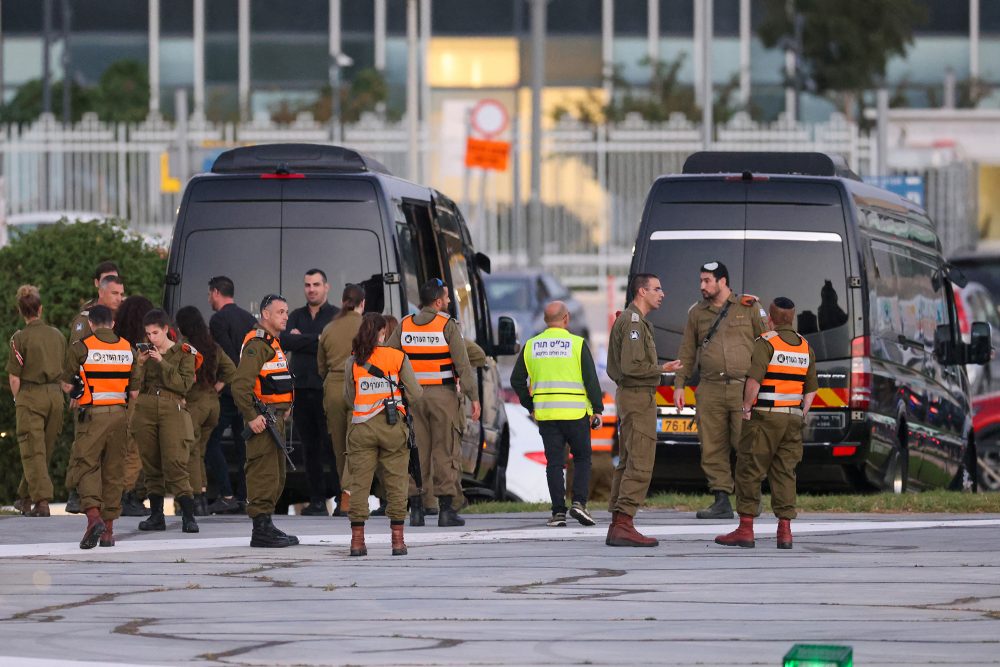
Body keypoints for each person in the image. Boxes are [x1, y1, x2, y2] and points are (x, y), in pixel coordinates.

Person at [716, 297, 818, 550]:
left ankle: (745, 529)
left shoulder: (766, 343)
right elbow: (811, 389)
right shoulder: (805, 346)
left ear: (771, 318)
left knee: (750, 468)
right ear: (792, 318)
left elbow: (754, 381)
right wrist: (801, 412)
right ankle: (784, 532)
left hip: (764, 416)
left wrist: (746, 407)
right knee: (785, 471)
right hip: (793, 418)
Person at [673, 261, 767, 520]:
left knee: (746, 444)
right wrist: (679, 384)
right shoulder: (696, 313)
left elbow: (767, 345)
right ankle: (721, 500)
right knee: (712, 446)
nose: (702, 285)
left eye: (707, 280)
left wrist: (763, 384)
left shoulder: (748, 307)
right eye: (701, 280)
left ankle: (750, 498)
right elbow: (687, 352)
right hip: (710, 388)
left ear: (722, 281)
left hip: (742, 388)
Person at [386, 278, 480, 528]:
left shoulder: (405, 324)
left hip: (412, 397)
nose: (447, 302)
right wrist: (474, 398)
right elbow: (463, 365)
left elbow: (388, 356)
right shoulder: (446, 325)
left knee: (417, 451)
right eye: (446, 298)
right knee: (445, 450)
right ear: (438, 301)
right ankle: (446, 511)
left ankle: (415, 510)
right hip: (443, 396)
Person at [511, 301, 604, 527]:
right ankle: (579, 504)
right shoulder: (577, 344)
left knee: (554, 463)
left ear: (545, 320)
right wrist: (597, 410)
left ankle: (558, 513)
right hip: (576, 414)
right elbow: (591, 380)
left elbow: (516, 380)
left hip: (547, 415)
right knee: (582, 459)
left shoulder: (531, 346)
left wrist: (530, 405)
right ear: (566, 318)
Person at [606, 274, 682, 547]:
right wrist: (662, 368)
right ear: (642, 291)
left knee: (628, 460)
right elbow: (631, 367)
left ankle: (618, 523)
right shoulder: (634, 323)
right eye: (657, 289)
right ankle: (624, 522)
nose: (662, 294)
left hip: (634, 397)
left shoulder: (634, 321)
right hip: (637, 398)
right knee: (640, 460)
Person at [344, 312, 423, 557]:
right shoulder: (397, 357)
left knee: (359, 485)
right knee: (397, 483)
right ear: (382, 332)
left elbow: (349, 398)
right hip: (392, 429)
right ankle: (397, 542)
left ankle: (357, 542)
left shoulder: (353, 361)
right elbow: (416, 394)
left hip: (361, 429)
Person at [61, 305, 136, 549]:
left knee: (86, 465)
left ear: (91, 324)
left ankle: (94, 519)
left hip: (93, 416)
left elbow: (66, 384)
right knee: (114, 471)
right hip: (120, 415)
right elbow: (134, 391)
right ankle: (108, 532)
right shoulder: (128, 348)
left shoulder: (81, 347)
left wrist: (75, 389)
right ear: (112, 324)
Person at [232, 293, 298, 548]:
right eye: (280, 312)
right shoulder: (258, 344)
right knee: (262, 473)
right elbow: (240, 385)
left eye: (286, 312)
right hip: (264, 421)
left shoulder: (272, 343)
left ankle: (267, 524)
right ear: (266, 314)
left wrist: (286, 406)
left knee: (275, 475)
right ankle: (260, 530)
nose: (285, 316)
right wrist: (252, 417)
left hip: (275, 418)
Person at [131, 309, 199, 533]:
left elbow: (184, 384)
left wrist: (162, 361)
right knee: (150, 462)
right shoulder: (145, 353)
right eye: (148, 334)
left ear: (166, 330)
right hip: (146, 407)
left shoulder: (184, 352)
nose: (151, 338)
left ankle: (188, 515)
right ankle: (156, 515)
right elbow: (133, 387)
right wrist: (139, 364)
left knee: (175, 461)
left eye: (155, 333)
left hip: (172, 408)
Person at [65, 271, 125, 514]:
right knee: (85, 451)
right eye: (115, 293)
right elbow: (76, 358)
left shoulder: (119, 317)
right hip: (90, 397)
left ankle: (101, 510)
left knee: (110, 459)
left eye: (122, 293)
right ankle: (77, 494)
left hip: (112, 397)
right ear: (101, 292)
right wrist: (76, 392)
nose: (120, 298)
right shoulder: (85, 319)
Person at [281, 269, 339, 516]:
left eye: (316, 284)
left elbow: (326, 343)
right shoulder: (295, 315)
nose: (311, 289)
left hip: (326, 389)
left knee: (332, 446)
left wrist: (302, 339)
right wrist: (315, 338)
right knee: (309, 448)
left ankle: (339, 499)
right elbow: (286, 341)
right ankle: (316, 500)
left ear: (327, 287)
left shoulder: (336, 315)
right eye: (307, 285)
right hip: (301, 390)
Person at [8, 285, 66, 517]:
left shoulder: (19, 338)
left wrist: (17, 399)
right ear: (40, 309)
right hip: (55, 395)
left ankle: (41, 502)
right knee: (42, 450)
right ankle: (24, 497)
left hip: (31, 395)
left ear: (21, 311)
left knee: (33, 451)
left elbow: (14, 376)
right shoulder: (58, 335)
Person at [175, 306, 238, 516]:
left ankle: (195, 499)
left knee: (188, 452)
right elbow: (231, 371)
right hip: (213, 405)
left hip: (194, 404)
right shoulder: (213, 346)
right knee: (200, 451)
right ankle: (201, 495)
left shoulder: (184, 348)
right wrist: (217, 387)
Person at [205, 276, 257, 514]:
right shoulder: (248, 318)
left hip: (227, 392)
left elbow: (226, 354)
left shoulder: (217, 320)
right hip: (248, 390)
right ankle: (245, 497)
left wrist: (222, 381)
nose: (209, 299)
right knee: (243, 444)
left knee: (211, 440)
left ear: (216, 292)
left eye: (209, 294)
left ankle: (226, 494)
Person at [317, 284, 365, 516]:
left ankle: (342, 497)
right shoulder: (367, 326)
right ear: (362, 303)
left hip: (334, 387)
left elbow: (321, 366)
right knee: (357, 445)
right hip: (361, 387)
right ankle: (350, 496)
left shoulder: (329, 328)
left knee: (339, 448)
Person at [113, 295, 156, 517]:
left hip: (114, 404)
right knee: (134, 451)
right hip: (135, 403)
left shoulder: (117, 343)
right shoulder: (137, 350)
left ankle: (121, 493)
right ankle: (126, 495)